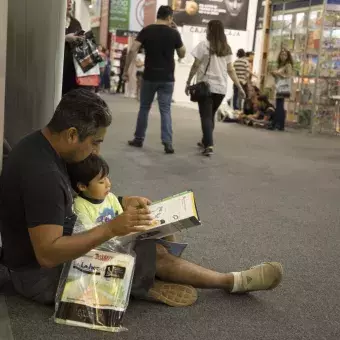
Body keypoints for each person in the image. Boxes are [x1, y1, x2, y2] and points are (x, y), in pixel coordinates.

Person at [0, 88, 283, 307]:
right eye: (95, 141)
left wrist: (121, 202)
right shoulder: (43, 175)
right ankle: (231, 281)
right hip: (38, 278)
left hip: (50, 248)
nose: (97, 151)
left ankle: (144, 278)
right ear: (72, 134)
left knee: (146, 234)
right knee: (151, 253)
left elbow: (68, 201)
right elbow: (48, 255)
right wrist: (110, 228)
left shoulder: (44, 147)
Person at [123, 5, 186, 154]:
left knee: (144, 108)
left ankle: (138, 139)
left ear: (157, 15)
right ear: (170, 17)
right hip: (167, 78)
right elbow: (182, 54)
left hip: (150, 76)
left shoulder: (147, 30)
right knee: (165, 110)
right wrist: (177, 32)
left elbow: (132, 50)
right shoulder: (173, 33)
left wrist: (126, 71)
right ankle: (167, 143)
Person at [185, 20, 246, 156]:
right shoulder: (227, 48)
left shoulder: (203, 45)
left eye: (207, 28)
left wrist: (188, 81)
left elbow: (195, 65)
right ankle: (205, 140)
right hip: (221, 89)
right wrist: (239, 87)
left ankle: (209, 145)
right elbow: (231, 70)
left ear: (210, 30)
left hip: (206, 87)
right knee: (210, 115)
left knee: (206, 116)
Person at [62, 0, 83, 96]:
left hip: (73, 71)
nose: (69, 2)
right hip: (57, 68)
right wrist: (65, 38)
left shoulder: (75, 23)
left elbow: (81, 43)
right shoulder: (54, 21)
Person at [271, 49, 293, 131]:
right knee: (279, 104)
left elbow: (289, 76)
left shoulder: (288, 65)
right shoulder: (280, 65)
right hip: (278, 86)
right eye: (281, 54)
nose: (282, 56)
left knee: (280, 105)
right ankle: (279, 124)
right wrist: (274, 74)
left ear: (287, 56)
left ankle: (278, 124)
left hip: (283, 86)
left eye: (284, 55)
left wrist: (278, 73)